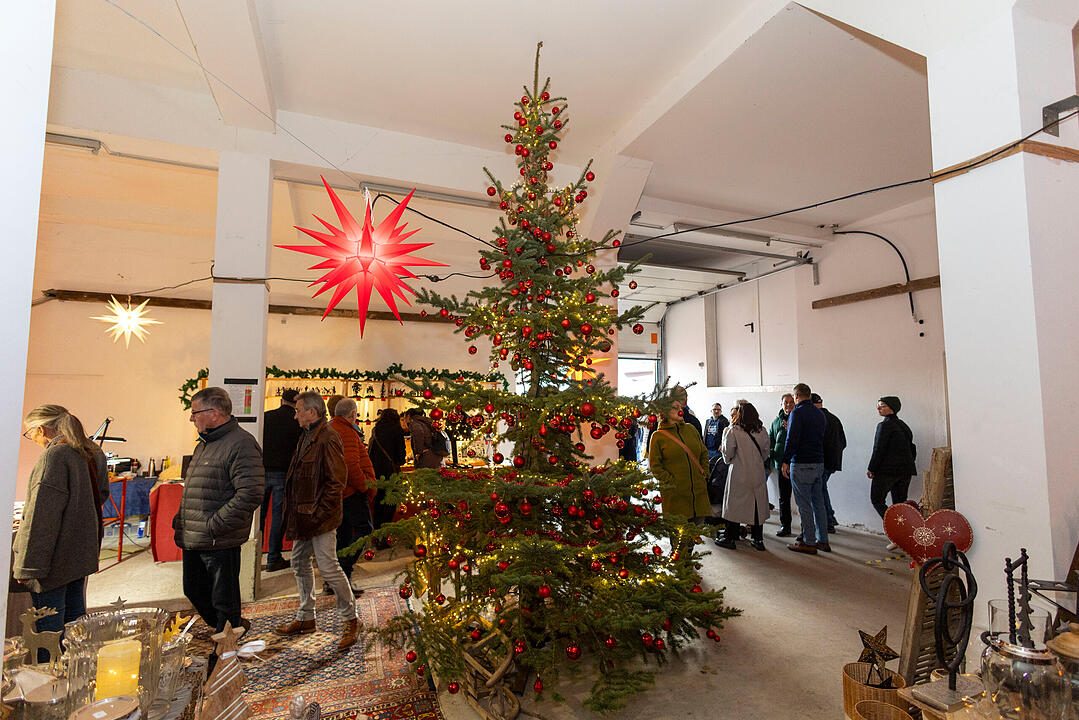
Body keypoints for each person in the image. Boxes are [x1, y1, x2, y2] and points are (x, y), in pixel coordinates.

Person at [14, 405, 103, 657]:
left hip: (54, 560)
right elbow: (100, 497)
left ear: (41, 429)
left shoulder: (55, 456)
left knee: (49, 634)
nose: (30, 438)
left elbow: (40, 517)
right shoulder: (90, 451)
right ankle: (77, 675)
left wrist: (27, 566)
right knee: (75, 624)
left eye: (29, 433)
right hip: (80, 553)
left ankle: (49, 686)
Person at [275, 391, 360, 650]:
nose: (295, 414)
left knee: (329, 567)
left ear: (312, 412)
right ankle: (306, 616)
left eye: (299, 410)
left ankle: (351, 619)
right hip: (304, 515)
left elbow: (336, 481)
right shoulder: (307, 435)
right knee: (299, 562)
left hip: (320, 517)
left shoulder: (328, 437)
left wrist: (321, 514)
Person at [175, 387, 263, 634]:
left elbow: (250, 492)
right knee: (193, 589)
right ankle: (227, 632)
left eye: (195, 412)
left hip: (218, 536)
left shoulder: (241, 443)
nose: (192, 418)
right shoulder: (205, 443)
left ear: (214, 413)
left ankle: (227, 647)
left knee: (224, 599)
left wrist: (215, 524)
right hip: (196, 534)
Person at [329, 397, 375, 594]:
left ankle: (339, 581)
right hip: (351, 493)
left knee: (344, 534)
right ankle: (340, 574)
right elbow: (350, 465)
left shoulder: (332, 429)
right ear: (353, 415)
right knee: (364, 530)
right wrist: (365, 486)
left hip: (340, 493)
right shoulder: (346, 432)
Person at [647, 386, 710, 523]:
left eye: (680, 407)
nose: (680, 409)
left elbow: (704, 452)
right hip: (676, 497)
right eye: (675, 407)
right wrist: (672, 482)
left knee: (694, 538)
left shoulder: (691, 428)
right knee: (679, 542)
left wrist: (704, 473)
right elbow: (655, 466)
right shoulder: (658, 436)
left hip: (698, 494)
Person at [716, 401, 771, 551]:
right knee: (756, 505)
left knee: (734, 505)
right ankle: (758, 539)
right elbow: (766, 453)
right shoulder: (762, 430)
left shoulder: (733, 431)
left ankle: (730, 537)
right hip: (757, 473)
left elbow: (727, 456)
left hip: (739, 473)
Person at [782, 383, 829, 554]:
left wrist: (786, 461)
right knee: (819, 503)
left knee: (804, 505)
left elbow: (792, 439)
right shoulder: (819, 414)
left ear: (796, 396)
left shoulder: (797, 413)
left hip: (801, 463)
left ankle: (809, 542)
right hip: (818, 462)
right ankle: (823, 540)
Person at [261, 388, 302, 572]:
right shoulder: (296, 421)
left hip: (261, 471)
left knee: (257, 517)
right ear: (296, 403)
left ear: (281, 400)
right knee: (278, 517)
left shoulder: (266, 417)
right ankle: (273, 558)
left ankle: (252, 560)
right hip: (283, 473)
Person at [867, 396, 916, 524]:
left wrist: (872, 468)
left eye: (882, 405)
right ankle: (901, 535)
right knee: (899, 505)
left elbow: (879, 449)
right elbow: (912, 448)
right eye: (878, 405)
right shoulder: (904, 425)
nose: (878, 408)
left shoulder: (884, 425)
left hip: (886, 471)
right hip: (906, 470)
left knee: (877, 500)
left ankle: (894, 529)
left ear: (892, 408)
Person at [813, 393, 846, 533]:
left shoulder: (816, 419)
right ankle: (829, 519)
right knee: (822, 489)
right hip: (833, 461)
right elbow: (843, 442)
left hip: (821, 462)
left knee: (818, 492)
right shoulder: (834, 418)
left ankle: (828, 521)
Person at [369, 409, 406, 531]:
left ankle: (377, 530)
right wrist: (400, 462)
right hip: (391, 471)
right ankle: (385, 532)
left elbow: (371, 451)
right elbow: (401, 454)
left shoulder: (376, 429)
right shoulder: (397, 429)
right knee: (391, 501)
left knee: (379, 500)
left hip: (376, 470)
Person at [768, 393, 795, 537]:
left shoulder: (798, 419)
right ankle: (786, 526)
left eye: (791, 402)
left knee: (802, 499)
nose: (788, 405)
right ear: (781, 404)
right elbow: (770, 441)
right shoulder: (775, 422)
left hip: (796, 466)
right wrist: (772, 457)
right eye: (786, 402)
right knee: (784, 498)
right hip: (781, 467)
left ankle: (807, 530)